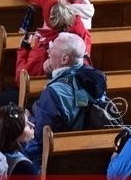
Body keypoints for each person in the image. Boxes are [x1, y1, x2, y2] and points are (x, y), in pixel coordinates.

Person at [22, 33, 107, 165]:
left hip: (56, 161)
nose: (48, 50)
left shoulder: (53, 94)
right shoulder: (93, 79)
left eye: (52, 47)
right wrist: (53, 72)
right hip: (89, 153)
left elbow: (39, 138)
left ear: (64, 58)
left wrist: (28, 120)